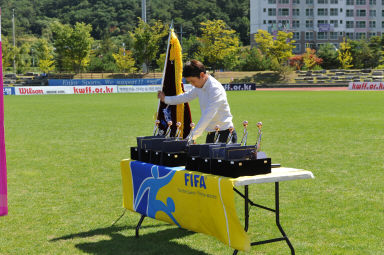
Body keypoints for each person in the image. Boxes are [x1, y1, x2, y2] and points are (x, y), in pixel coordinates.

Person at [157, 59, 237, 143]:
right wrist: (165, 99)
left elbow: (208, 114)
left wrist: (192, 137)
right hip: (211, 134)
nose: (192, 84)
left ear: (202, 75)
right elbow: (185, 97)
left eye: (193, 81)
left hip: (226, 134)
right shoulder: (199, 86)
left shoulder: (215, 89)